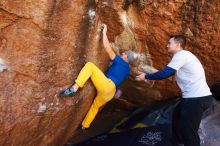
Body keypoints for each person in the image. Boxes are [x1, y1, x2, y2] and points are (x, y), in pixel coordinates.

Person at [135, 35, 213, 146]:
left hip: (197, 99)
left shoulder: (181, 55)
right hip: (194, 97)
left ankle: (185, 142)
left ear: (178, 44)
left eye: (169, 43)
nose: (167, 45)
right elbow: (169, 73)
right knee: (176, 116)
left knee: (189, 132)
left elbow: (165, 73)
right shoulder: (184, 56)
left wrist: (146, 77)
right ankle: (178, 142)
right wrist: (149, 76)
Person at [59, 24, 135, 130]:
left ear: (126, 57)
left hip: (107, 85)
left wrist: (104, 33)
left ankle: (74, 88)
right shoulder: (127, 70)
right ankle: (84, 126)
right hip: (109, 94)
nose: (122, 54)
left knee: (89, 66)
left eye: (124, 54)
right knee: (95, 107)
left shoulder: (121, 61)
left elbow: (108, 49)